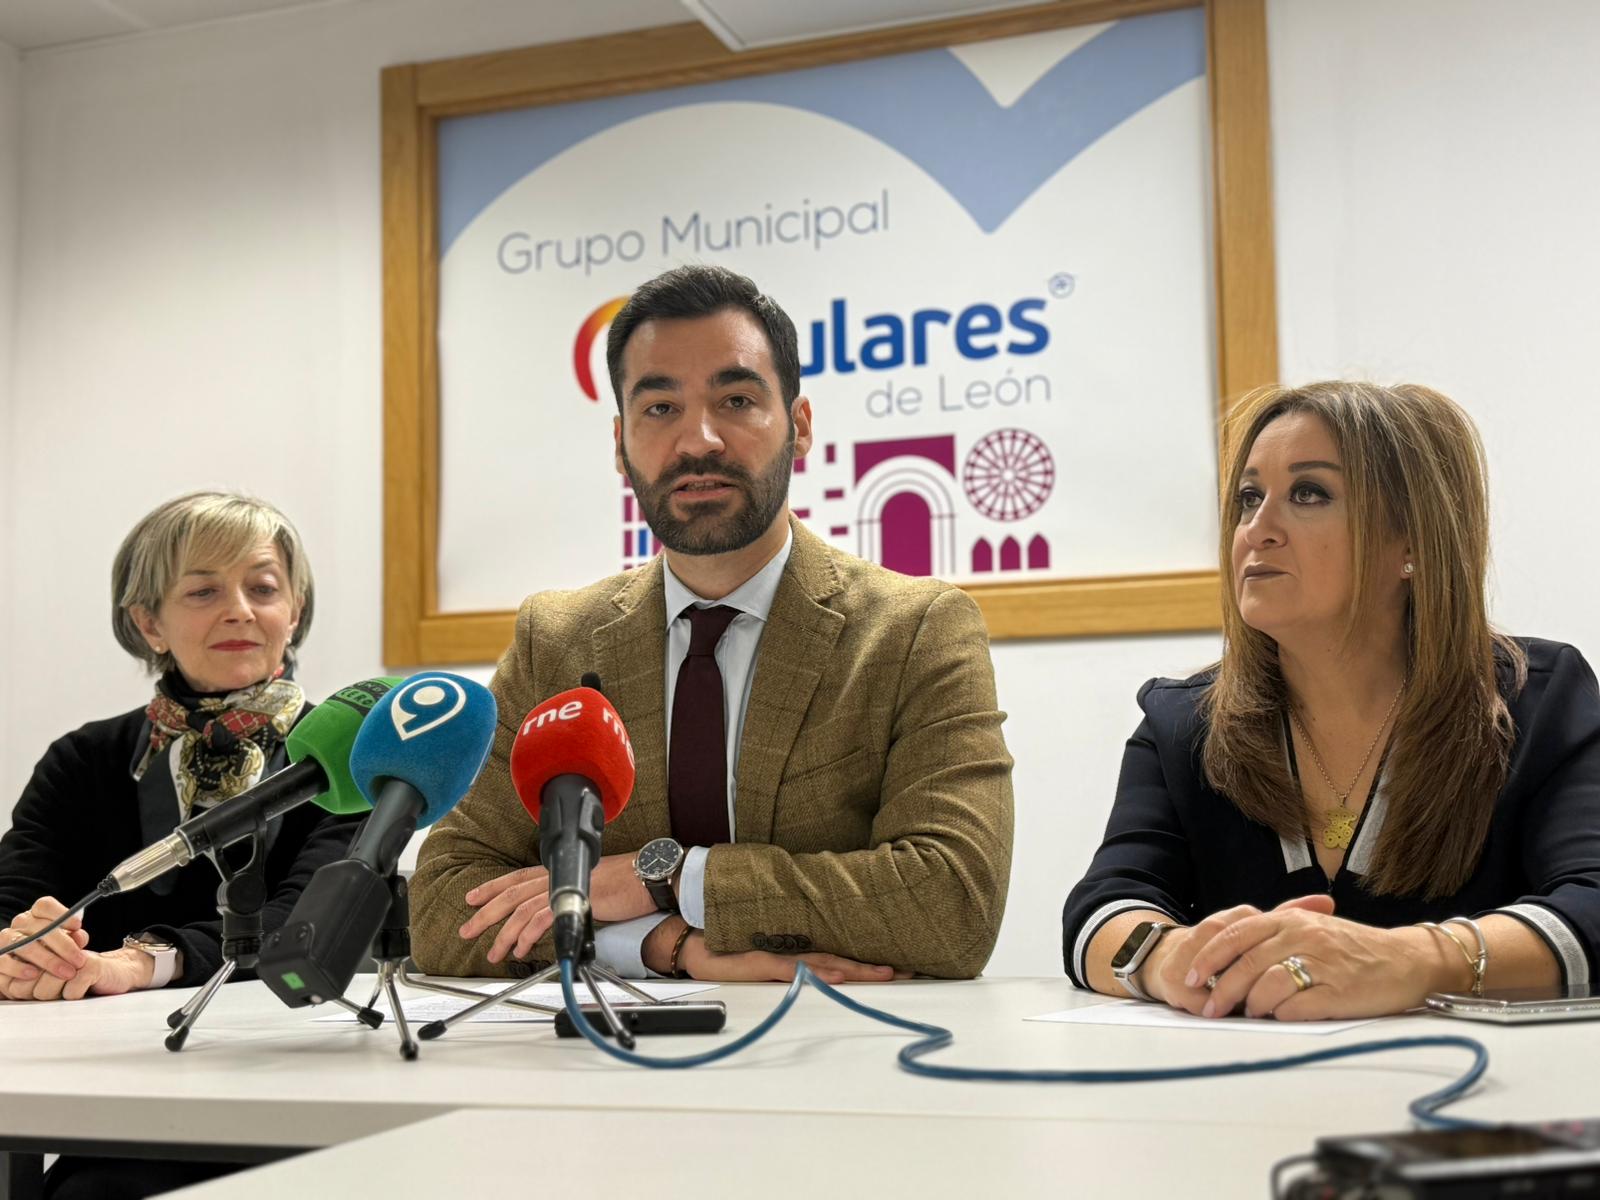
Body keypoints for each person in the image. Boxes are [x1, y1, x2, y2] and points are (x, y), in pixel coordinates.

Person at [411, 264, 1014, 983]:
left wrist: (669, 877)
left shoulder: (914, 631)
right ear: (619, 443)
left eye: (735, 400)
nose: (699, 441)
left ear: (799, 427)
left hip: (847, 1055)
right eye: (660, 408)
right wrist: (665, 947)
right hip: (603, 1070)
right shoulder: (556, 639)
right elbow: (444, 907)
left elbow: (951, 903)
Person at [1063, 381, 1600, 1021]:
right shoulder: (1182, 721)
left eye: (1308, 493)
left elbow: (1592, 901)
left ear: (1410, 543)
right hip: (1243, 1106)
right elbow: (1103, 907)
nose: (1256, 530)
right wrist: (1168, 957)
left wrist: (1414, 961)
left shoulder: (1538, 698)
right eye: (1248, 498)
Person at [0, 492, 358, 1002]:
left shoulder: (347, 753)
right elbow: (12, 902)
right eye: (203, 592)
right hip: (90, 1040)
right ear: (149, 624)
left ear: (294, 613)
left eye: (262, 588)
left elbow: (310, 923)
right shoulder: (81, 760)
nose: (240, 611)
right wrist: (24, 946)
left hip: (282, 1035)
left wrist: (144, 962)